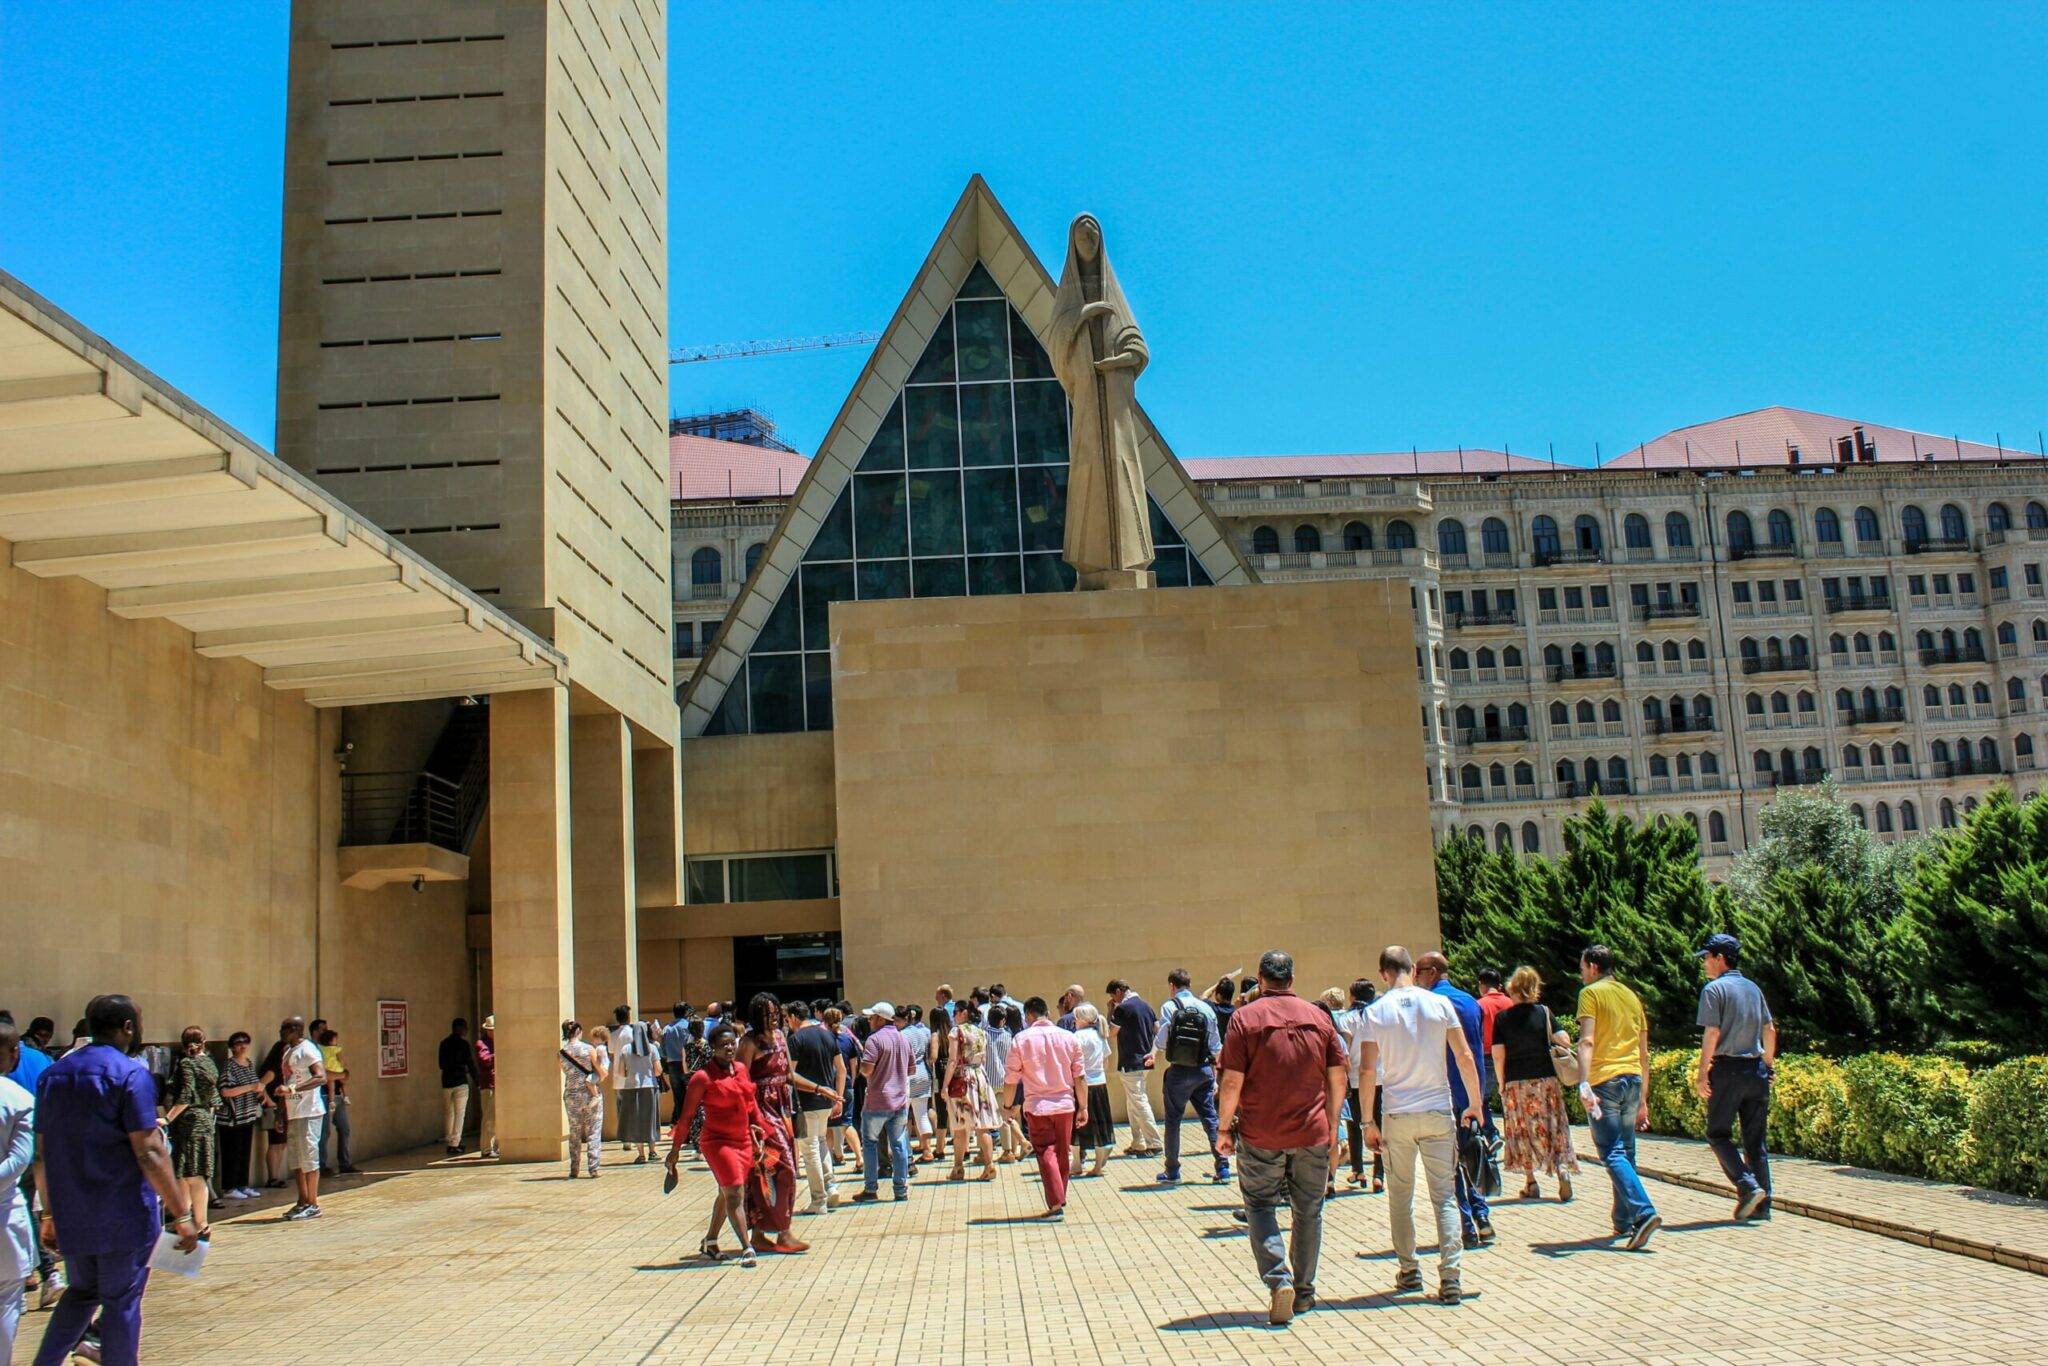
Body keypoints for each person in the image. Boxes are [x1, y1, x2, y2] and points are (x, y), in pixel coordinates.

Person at [30, 995, 201, 1366]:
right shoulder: (130, 1074)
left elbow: (40, 1154)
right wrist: (181, 1214)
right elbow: (149, 1151)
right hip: (123, 1213)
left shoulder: (52, 1076)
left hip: (72, 1211)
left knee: (81, 1292)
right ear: (128, 1027)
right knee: (122, 1300)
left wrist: (48, 1215)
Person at [1213, 951, 1347, 1325]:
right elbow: (1338, 1077)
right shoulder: (1319, 1017)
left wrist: (1224, 1128)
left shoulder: (1245, 1018)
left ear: (1260, 979)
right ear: (1292, 977)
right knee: (1309, 1211)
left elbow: (1232, 1080)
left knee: (1259, 1206)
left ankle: (1278, 1279)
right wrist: (1333, 1124)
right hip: (1312, 1131)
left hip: (1261, 1132)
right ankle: (1303, 1292)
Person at [1358, 947, 1484, 1306]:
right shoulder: (1439, 1005)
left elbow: (1368, 1070)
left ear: (1383, 974)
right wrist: (1475, 1103)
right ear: (1412, 969)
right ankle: (1451, 1275)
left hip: (1397, 1112)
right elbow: (1463, 1055)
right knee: (1443, 1195)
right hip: (1437, 1109)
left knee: (1401, 1195)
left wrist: (1368, 1121)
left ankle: (1410, 1269)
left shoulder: (1374, 1011)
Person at [1577, 944, 1661, 1249]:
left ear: (1594, 967)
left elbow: (1587, 1041)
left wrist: (1583, 1084)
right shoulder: (1631, 996)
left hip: (1604, 1081)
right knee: (1626, 1151)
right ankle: (1623, 1220)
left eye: (1583, 967)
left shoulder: (1591, 994)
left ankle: (1643, 1211)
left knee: (1611, 1152)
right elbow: (1643, 1051)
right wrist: (1643, 1099)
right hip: (1632, 1079)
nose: (1581, 973)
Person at [1694, 933, 1776, 1221]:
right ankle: (1763, 1208)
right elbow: (1770, 1030)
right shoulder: (1753, 988)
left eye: (1706, 957)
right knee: (1756, 1142)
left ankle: (1748, 1185)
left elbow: (1712, 1033)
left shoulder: (1714, 990)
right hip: (1756, 1070)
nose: (1704, 963)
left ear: (1720, 958)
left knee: (1717, 1134)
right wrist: (1768, 1066)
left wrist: (1703, 1073)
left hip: (1727, 1070)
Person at [1414, 951, 1492, 1246]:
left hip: (1442, 1095)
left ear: (1431, 972)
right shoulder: (1471, 1001)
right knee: (1474, 1156)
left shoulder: (1430, 1004)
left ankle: (1466, 1227)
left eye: (1418, 971)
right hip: (1472, 1094)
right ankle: (1482, 1216)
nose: (1416, 977)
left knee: (1450, 1166)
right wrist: (1478, 1097)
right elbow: (1474, 1052)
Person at [667, 1026, 762, 1266]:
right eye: (724, 1044)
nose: (730, 1048)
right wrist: (675, 1150)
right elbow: (686, 1117)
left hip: (742, 1141)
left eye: (732, 1043)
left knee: (725, 1191)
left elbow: (751, 1104)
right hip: (717, 1142)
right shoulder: (702, 1077)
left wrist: (760, 1128)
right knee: (734, 1192)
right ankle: (747, 1247)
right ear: (713, 1047)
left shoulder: (740, 1069)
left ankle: (710, 1241)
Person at [1489, 966, 1577, 1201]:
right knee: (1554, 1126)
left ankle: (1531, 1182)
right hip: (1546, 1080)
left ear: (1512, 989)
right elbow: (1564, 1040)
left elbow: (1498, 1054)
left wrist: (1501, 1083)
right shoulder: (1544, 1012)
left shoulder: (1503, 1019)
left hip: (1516, 1082)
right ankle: (1562, 1170)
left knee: (1522, 1130)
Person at [736, 995, 807, 1254]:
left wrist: (821, 1089)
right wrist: (747, 1121)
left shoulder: (779, 1036)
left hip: (782, 1111)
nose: (774, 1016)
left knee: (782, 1169)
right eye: (768, 1013)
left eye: (776, 1011)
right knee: (776, 1168)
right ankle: (781, 1232)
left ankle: (764, 1233)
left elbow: (788, 1075)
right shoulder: (749, 1042)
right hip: (760, 1113)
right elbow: (740, 1083)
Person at [1004, 997, 1085, 1219]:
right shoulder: (1069, 1038)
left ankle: (1056, 1202)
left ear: (1029, 1015)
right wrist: (1083, 1107)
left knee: (1045, 1151)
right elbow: (1080, 1076)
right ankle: (1060, 1195)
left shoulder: (1021, 1040)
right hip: (1065, 1104)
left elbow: (1011, 1079)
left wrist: (1007, 1105)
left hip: (1037, 1105)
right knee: (1061, 1151)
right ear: (1047, 1012)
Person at [1150, 968, 1226, 1185]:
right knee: (1210, 1118)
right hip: (1203, 1071)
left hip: (1179, 1071)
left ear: (1172, 986)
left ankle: (1172, 1171)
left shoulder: (1169, 1006)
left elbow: (1163, 1040)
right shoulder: (1206, 1008)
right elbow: (1216, 1045)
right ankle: (1223, 1167)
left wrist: (1156, 1050)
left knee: (1173, 1121)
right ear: (1189, 984)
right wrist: (1217, 1074)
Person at [4, 1020, 57, 1311]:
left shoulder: (14, 1092)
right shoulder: (42, 1061)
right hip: (36, 1149)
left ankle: (34, 1278)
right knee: (28, 1208)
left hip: (21, 1160)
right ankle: (42, 1275)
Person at [785, 1002, 845, 1214]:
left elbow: (789, 1074)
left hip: (806, 1103)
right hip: (827, 1102)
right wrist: (837, 1097)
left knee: (810, 1150)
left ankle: (818, 1200)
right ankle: (831, 1186)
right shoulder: (827, 1035)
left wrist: (817, 1089)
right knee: (820, 1143)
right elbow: (841, 1069)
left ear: (793, 1017)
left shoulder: (795, 1039)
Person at [158, 1028, 219, 1236]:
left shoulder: (186, 1063)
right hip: (204, 1121)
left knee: (191, 1174)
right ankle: (186, 1220)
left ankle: (200, 1223)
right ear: (204, 1041)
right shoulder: (209, 1063)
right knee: (186, 1174)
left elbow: (186, 1095)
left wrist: (167, 1118)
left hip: (188, 1123)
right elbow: (213, 1099)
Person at [854, 1002, 913, 1203]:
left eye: (872, 1017)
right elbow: (911, 1070)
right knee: (898, 1145)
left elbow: (867, 1069)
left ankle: (871, 1189)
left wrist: (864, 1070)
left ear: (880, 1019)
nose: (869, 1021)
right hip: (899, 1101)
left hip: (877, 1101)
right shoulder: (903, 1039)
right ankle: (900, 1189)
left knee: (870, 1144)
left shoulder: (874, 1040)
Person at [1, 1022, 33, 1363]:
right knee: (6, 1301)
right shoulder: (19, 1099)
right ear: (15, 1053)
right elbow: (19, 1160)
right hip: (4, 1219)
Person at [276, 1016, 328, 1221]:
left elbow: (321, 1077)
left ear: (296, 1029)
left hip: (310, 1110)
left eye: (285, 1028)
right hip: (294, 1111)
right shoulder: (287, 1051)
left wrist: (294, 1088)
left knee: (309, 1157)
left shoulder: (308, 1050)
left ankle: (313, 1203)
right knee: (297, 1160)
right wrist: (281, 1113)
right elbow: (285, 1081)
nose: (281, 1031)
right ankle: (302, 1200)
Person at [1104, 980, 1162, 1157]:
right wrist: (1152, 1052)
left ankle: (1154, 1143)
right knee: (1133, 1102)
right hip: (1144, 1061)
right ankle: (1138, 1142)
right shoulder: (1146, 1006)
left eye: (1113, 995)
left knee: (1139, 1101)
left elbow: (1110, 1033)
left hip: (1130, 1061)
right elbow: (1157, 1030)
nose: (1113, 999)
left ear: (1120, 991)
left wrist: (1111, 1011)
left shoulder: (1122, 1008)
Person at [940, 1006, 999, 1182]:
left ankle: (958, 1167)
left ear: (963, 1013)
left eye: (955, 1013)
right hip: (980, 1077)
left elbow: (952, 1060)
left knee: (960, 1125)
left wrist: (944, 1085)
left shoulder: (956, 1031)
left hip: (962, 1078)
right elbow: (984, 1058)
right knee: (983, 1125)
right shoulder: (981, 1032)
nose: (954, 1016)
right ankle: (989, 1165)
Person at [1336, 978, 1382, 1191]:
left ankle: (1358, 1170)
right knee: (1379, 1124)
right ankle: (1379, 1175)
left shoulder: (1347, 1019)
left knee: (1355, 1124)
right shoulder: (1379, 1016)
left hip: (1355, 1078)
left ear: (1352, 996)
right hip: (1379, 1077)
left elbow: (1344, 1049)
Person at [214, 1032, 263, 1201]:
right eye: (238, 1043)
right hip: (231, 1118)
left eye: (245, 1042)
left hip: (247, 1115)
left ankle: (243, 1184)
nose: (242, 1046)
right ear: (232, 1047)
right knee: (231, 1152)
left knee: (244, 1151)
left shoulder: (249, 1064)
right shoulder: (229, 1066)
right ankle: (229, 1187)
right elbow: (225, 1091)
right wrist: (250, 1087)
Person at [1069, 1004, 1115, 1178]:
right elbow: (1105, 1062)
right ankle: (1098, 1166)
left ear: (1081, 1019)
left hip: (1082, 1084)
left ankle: (1076, 1163)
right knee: (1101, 1126)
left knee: (1076, 1126)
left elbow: (1072, 1063)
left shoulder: (1076, 1037)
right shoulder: (1100, 1036)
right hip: (1099, 1084)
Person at [611, 1006, 661, 1164]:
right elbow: (658, 1071)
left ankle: (641, 1154)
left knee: (636, 1120)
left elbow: (621, 1072)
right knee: (650, 1119)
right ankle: (653, 1151)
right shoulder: (652, 1048)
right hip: (650, 1087)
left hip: (631, 1088)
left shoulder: (626, 1049)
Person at [558, 1021, 604, 1178]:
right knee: (593, 1130)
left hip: (571, 1094)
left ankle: (574, 1167)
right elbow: (601, 1071)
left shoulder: (561, 1053)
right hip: (589, 1093)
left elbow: (567, 1072)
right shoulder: (588, 1049)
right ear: (578, 1031)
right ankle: (593, 1167)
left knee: (575, 1131)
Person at [981, 1003, 1022, 1163]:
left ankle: (1000, 1151)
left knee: (986, 1119)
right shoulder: (1008, 1035)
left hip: (988, 1080)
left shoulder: (983, 1035)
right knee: (1006, 1114)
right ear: (1003, 1020)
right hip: (1006, 1080)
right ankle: (1011, 1149)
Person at [898, 1004, 935, 1166]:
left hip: (907, 1075)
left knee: (902, 1117)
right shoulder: (922, 1032)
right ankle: (927, 1149)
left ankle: (906, 1152)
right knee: (922, 1114)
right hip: (923, 1073)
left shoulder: (901, 1035)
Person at [317, 1027, 355, 1175]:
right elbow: (326, 1075)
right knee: (324, 1132)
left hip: (338, 1095)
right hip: (324, 1096)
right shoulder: (320, 1053)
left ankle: (345, 1163)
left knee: (344, 1128)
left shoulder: (334, 1052)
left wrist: (340, 1074)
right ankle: (321, 1165)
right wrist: (340, 1074)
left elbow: (346, 1074)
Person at [438, 1018, 478, 1156]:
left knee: (449, 1113)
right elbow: (470, 1063)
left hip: (446, 1082)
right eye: (465, 1027)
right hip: (460, 1081)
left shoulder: (443, 1044)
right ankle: (455, 1142)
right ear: (459, 1028)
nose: (466, 1030)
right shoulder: (463, 1044)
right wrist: (477, 1081)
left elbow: (441, 1064)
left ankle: (449, 1139)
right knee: (460, 1113)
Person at [660, 1002, 693, 1128]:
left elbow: (662, 1050)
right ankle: (692, 1127)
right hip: (688, 1064)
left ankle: (682, 1129)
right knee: (692, 1096)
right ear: (686, 1012)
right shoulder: (689, 1026)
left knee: (678, 1098)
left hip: (673, 1065)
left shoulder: (667, 1028)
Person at [474, 1016, 498, 1159]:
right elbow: (485, 1060)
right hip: (488, 1085)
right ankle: (486, 1148)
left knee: (498, 1118)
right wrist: (499, 1054)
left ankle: (496, 1146)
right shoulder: (481, 1043)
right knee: (489, 1117)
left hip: (498, 1083)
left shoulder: (498, 1042)